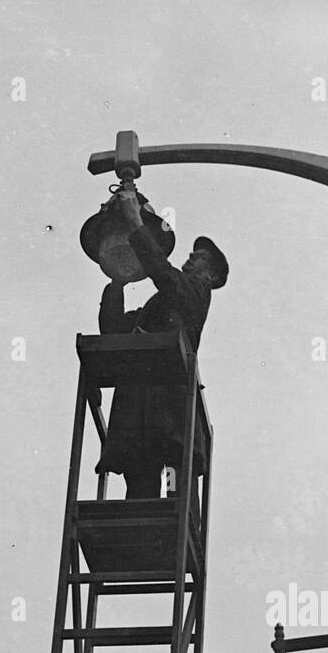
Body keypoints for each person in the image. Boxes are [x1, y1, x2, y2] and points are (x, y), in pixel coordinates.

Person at [95, 189, 228, 499]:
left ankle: (179, 538)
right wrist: (117, 281)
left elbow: (163, 274)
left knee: (175, 493)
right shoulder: (161, 305)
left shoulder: (195, 292)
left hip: (169, 419)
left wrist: (135, 223)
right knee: (140, 497)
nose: (192, 256)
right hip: (143, 421)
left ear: (211, 274)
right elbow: (113, 330)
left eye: (202, 257)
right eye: (195, 253)